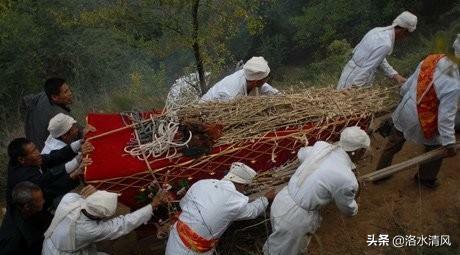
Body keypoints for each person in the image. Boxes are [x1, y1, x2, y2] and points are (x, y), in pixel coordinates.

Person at [263, 127, 370, 255]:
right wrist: (356, 207)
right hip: (295, 218)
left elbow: (301, 153)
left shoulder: (321, 147)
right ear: (358, 151)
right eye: (364, 151)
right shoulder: (347, 178)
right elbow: (347, 208)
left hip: (282, 200)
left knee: (277, 240)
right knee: (284, 251)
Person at [375, 35, 460, 188]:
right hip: (422, 120)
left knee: (393, 142)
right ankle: (425, 179)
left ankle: (380, 173)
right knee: (436, 147)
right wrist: (449, 144)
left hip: (406, 109)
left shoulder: (432, 59)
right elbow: (445, 118)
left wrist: (402, 102)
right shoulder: (454, 83)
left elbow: (407, 85)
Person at [165, 162, 276, 254]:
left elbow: (183, 204)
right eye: (246, 187)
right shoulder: (237, 201)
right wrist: (265, 199)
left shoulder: (201, 183)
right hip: (194, 250)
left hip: (176, 235)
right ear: (243, 184)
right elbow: (252, 211)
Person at [42, 185, 169, 254]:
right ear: (101, 217)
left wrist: (92, 192)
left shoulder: (70, 198)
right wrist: (153, 204)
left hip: (52, 242)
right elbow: (123, 224)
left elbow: (84, 197)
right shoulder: (90, 230)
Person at [336, 11, 418, 90]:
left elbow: (378, 59)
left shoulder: (377, 30)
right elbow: (368, 68)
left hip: (350, 73)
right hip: (355, 79)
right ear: (403, 31)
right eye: (407, 35)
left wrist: (395, 75)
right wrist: (355, 88)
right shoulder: (386, 44)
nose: (405, 38)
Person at [6, 137, 93, 210]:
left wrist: (79, 143)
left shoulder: (28, 161)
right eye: (33, 152)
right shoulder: (24, 177)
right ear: (21, 159)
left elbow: (52, 158)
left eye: (35, 148)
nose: (38, 153)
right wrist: (75, 168)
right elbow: (51, 185)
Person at [24, 78, 81, 151]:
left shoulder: (45, 95)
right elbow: (79, 132)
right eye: (66, 92)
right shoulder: (58, 114)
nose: (70, 93)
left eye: (69, 89)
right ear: (54, 97)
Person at [0, 182, 50, 255]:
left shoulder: (18, 208)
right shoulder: (14, 241)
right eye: (40, 200)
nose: (43, 201)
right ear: (27, 207)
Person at [200, 57, 280, 102]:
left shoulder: (249, 75)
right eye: (266, 78)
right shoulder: (232, 95)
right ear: (256, 81)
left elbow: (266, 88)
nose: (267, 80)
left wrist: (280, 96)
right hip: (204, 113)